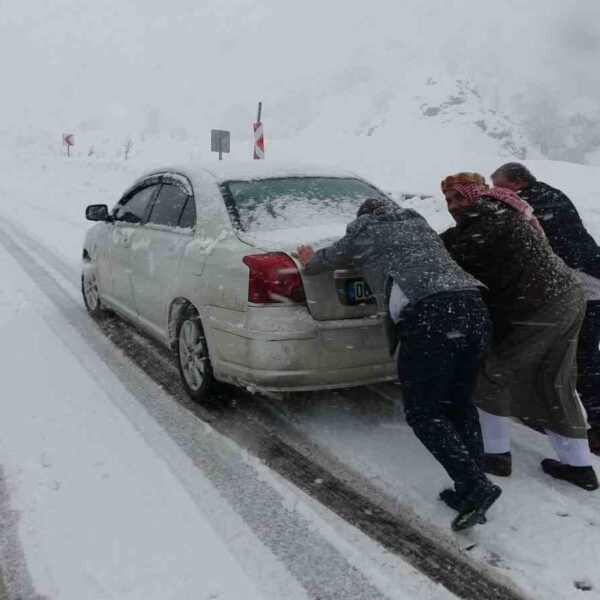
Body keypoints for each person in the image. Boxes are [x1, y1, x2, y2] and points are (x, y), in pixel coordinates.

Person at [294, 197, 501, 530]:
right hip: (473, 306)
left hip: (431, 316)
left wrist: (308, 257)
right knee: (460, 404)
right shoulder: (420, 225)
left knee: (423, 411)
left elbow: (323, 262)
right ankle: (469, 486)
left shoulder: (363, 230)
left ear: (362, 217)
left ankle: (475, 485)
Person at [440, 172, 598, 491]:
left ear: (478, 192)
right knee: (553, 382)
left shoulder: (485, 214)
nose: (454, 205)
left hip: (542, 304)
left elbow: (464, 255)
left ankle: (495, 456)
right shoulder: (504, 212)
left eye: (459, 196)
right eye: (448, 200)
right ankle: (579, 466)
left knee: (491, 373)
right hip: (566, 295)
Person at [492, 163, 600, 453]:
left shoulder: (531, 203)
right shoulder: (549, 194)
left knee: (579, 357)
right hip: (589, 276)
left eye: (499, 185)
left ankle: (590, 428)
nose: (496, 191)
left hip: (580, 283)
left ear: (517, 182)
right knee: (583, 357)